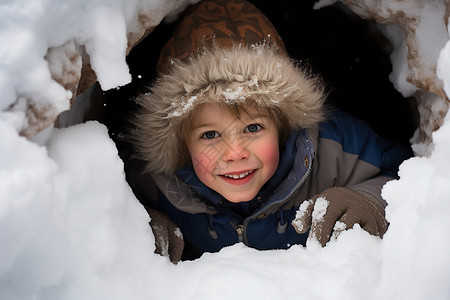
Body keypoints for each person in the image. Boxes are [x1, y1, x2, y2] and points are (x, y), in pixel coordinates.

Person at [125, 0, 412, 263]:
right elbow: (115, 199)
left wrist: (367, 202)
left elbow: (408, 175)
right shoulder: (159, 180)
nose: (235, 153)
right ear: (180, 144)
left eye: (253, 128)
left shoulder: (333, 147)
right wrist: (142, 222)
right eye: (210, 135)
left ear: (283, 124)